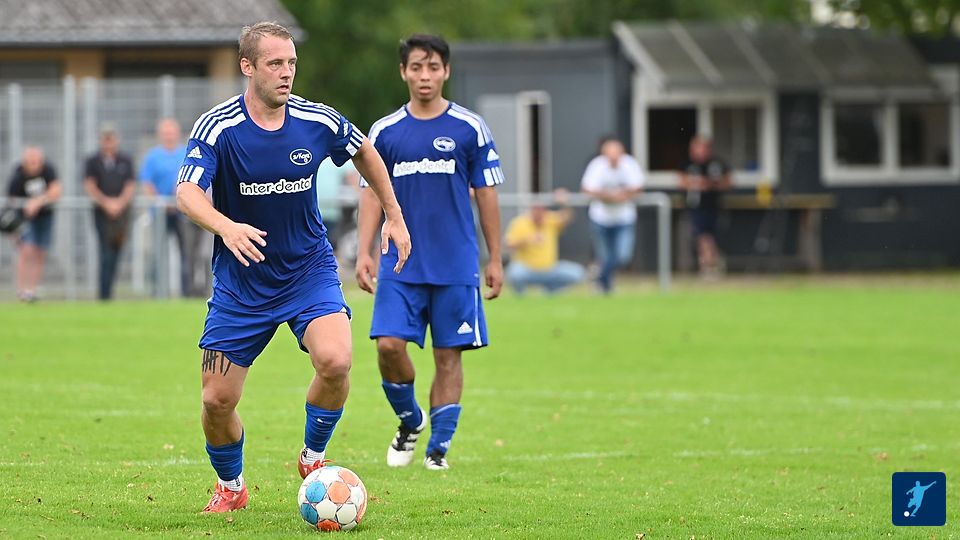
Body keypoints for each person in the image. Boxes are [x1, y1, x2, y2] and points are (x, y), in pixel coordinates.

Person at [175, 22, 410, 514]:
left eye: (291, 63)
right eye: (275, 64)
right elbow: (187, 192)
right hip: (242, 283)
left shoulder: (316, 119)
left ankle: (312, 456)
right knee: (216, 401)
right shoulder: (218, 127)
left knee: (336, 361)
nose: (286, 73)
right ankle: (231, 486)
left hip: (308, 271)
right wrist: (226, 226)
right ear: (248, 67)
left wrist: (393, 213)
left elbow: (365, 151)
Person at [355, 34, 504, 471]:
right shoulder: (384, 131)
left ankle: (438, 450)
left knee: (447, 356)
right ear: (403, 71)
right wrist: (363, 252)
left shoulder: (469, 127)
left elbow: (486, 194)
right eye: (416, 67)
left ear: (446, 72)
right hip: (399, 262)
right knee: (388, 346)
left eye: (433, 67)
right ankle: (410, 420)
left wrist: (495, 258)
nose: (425, 76)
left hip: (455, 263)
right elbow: (370, 194)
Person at [580, 136, 644, 294]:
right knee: (605, 256)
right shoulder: (596, 165)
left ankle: (600, 278)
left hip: (624, 218)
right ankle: (605, 286)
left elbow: (638, 187)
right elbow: (587, 189)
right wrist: (609, 196)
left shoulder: (630, 164)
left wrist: (622, 195)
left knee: (622, 256)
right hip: (600, 219)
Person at [139, 118, 195, 296]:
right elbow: (147, 183)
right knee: (158, 253)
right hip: (159, 213)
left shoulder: (186, 153)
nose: (169, 136)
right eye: (166, 133)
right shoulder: (152, 157)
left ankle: (187, 292)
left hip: (182, 213)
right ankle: (157, 291)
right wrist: (160, 202)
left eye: (171, 133)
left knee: (186, 253)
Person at [84, 125, 136, 301]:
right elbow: (90, 185)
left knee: (117, 250)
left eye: (111, 139)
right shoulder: (93, 161)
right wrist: (106, 203)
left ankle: (109, 290)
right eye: (105, 139)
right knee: (105, 252)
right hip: (102, 213)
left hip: (122, 214)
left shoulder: (125, 160)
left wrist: (119, 203)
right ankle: (104, 294)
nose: (108, 143)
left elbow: (130, 185)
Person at [5, 146, 62, 302]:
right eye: (30, 161)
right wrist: (14, 229)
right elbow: (12, 201)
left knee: (40, 253)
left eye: (36, 161)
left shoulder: (48, 170)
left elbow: (56, 191)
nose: (34, 164)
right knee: (26, 250)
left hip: (45, 217)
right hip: (24, 219)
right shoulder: (18, 175)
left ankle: (33, 290)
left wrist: (38, 201)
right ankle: (22, 290)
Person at [504, 188, 584, 295]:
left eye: (541, 210)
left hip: (550, 269)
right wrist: (527, 240)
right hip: (527, 269)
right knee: (514, 273)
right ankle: (521, 296)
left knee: (578, 273)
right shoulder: (520, 222)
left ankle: (551, 291)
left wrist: (564, 203)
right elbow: (508, 244)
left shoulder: (549, 219)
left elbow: (567, 218)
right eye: (536, 209)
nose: (539, 213)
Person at [678, 135, 731, 277]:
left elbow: (728, 181)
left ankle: (711, 263)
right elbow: (681, 182)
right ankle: (708, 265)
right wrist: (699, 183)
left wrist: (712, 184)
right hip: (695, 207)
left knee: (710, 237)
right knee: (703, 237)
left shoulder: (716, 163)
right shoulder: (688, 164)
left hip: (714, 206)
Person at [314, 156, 359, 250]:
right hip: (329, 211)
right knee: (329, 246)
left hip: (319, 211)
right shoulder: (338, 158)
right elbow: (352, 177)